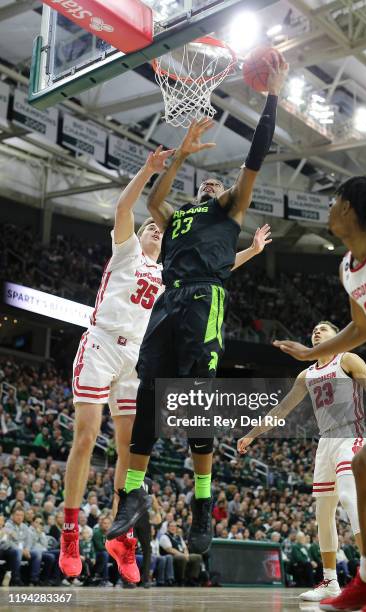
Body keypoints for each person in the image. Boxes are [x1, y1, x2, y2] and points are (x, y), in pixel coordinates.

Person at [107, 54, 289, 571]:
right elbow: (156, 202)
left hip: (205, 298)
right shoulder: (180, 216)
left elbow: (254, 159)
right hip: (169, 299)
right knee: (148, 393)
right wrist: (182, 154)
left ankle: (204, 501)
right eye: (203, 183)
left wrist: (271, 97)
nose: (210, 185)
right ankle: (133, 496)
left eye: (216, 182)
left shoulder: (228, 209)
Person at [273, 177, 366, 611]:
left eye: (332, 200)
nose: (327, 207)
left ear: (348, 208)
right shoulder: (349, 268)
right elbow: (361, 329)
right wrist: (311, 352)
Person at [59, 146, 173, 582]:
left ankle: (120, 535)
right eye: (150, 227)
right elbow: (126, 205)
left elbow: (211, 272)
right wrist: (148, 170)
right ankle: (71, 531)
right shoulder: (126, 253)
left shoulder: (165, 276)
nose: (153, 230)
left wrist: (250, 253)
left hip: (133, 360)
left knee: (130, 449)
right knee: (86, 439)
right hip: (102, 344)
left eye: (158, 230)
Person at [238, 319, 366, 602]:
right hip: (325, 442)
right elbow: (282, 409)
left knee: (348, 496)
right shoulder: (306, 375)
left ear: (337, 336)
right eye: (314, 330)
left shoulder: (347, 359)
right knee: (323, 513)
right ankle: (331, 582)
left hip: (352, 436)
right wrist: (251, 434)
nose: (317, 332)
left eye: (324, 329)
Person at [5, 508, 42, 585]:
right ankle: (16, 578)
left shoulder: (25, 527)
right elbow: (9, 542)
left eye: (21, 515)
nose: (19, 517)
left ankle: (34, 579)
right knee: (17, 551)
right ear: (12, 516)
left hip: (24, 550)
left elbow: (29, 541)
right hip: (10, 550)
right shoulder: (8, 525)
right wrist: (21, 550)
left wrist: (27, 549)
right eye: (17, 515)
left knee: (37, 553)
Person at [159, 521, 202, 586]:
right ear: (168, 528)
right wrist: (182, 555)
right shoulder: (164, 537)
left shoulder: (178, 537)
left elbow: (185, 548)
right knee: (182, 558)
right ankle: (181, 579)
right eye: (171, 526)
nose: (173, 528)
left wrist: (186, 554)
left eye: (175, 526)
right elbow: (169, 549)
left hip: (182, 555)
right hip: (171, 557)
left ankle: (192, 578)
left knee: (197, 557)